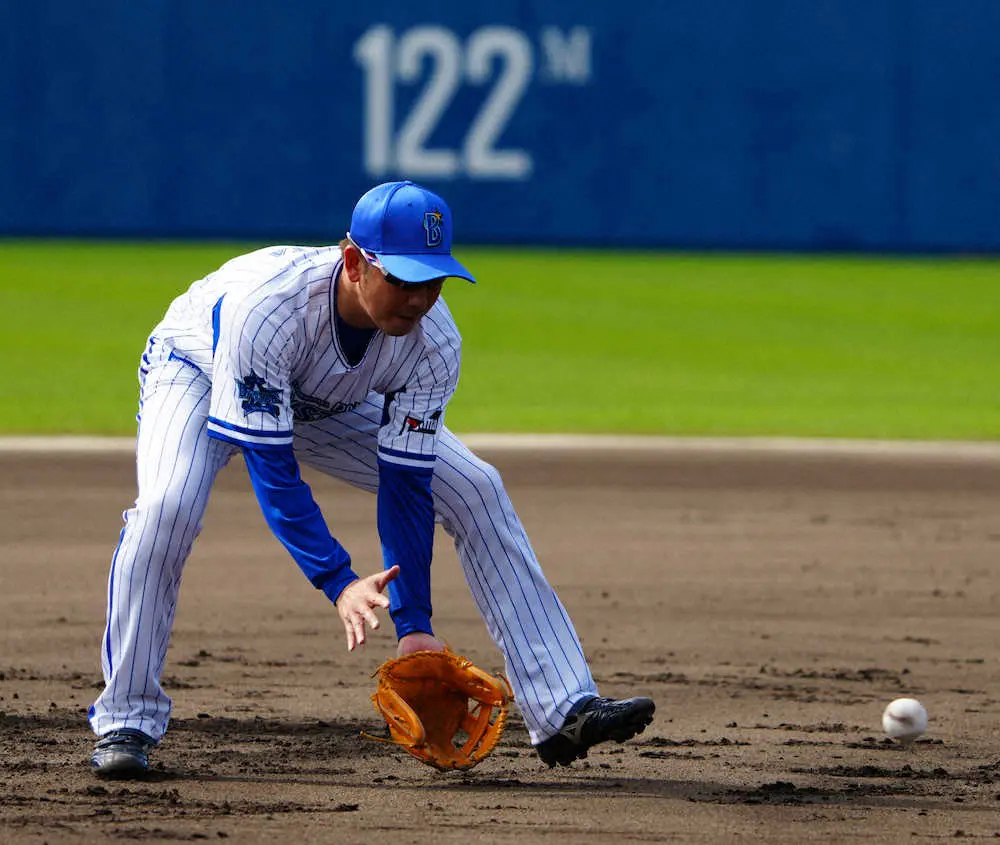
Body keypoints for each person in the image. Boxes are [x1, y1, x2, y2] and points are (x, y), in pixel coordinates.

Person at [89, 180, 655, 778]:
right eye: (404, 279)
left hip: (324, 401)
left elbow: (407, 481)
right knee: (166, 511)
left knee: (475, 486)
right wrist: (338, 581)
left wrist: (415, 628)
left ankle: (563, 707)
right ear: (354, 262)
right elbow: (273, 471)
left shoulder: (433, 342)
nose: (419, 299)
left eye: (433, 281)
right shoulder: (270, 310)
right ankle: (127, 717)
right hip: (198, 373)